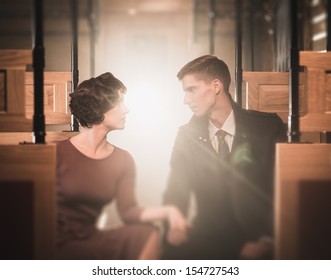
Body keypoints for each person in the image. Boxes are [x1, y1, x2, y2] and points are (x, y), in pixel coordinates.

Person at [162, 55, 287, 260]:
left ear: (216, 86)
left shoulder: (268, 127)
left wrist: (267, 240)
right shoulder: (186, 135)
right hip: (207, 241)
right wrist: (174, 227)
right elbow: (177, 190)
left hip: (259, 240)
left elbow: (283, 189)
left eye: (191, 90)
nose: (186, 100)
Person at [55, 72, 189, 260]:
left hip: (91, 238)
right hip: (53, 241)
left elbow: (128, 212)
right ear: (99, 107)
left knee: (147, 235)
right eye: (119, 103)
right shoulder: (55, 152)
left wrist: (169, 211)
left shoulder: (123, 159)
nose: (126, 110)